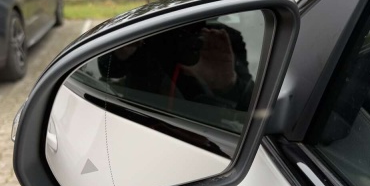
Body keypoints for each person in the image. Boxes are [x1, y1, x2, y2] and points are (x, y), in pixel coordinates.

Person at [97, 19, 255, 114]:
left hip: (206, 132)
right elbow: (107, 70)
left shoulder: (221, 40)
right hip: (144, 119)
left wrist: (228, 84)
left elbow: (251, 105)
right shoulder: (149, 36)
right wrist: (122, 52)